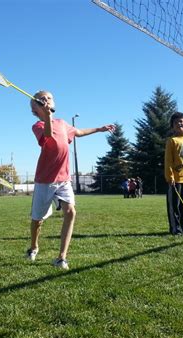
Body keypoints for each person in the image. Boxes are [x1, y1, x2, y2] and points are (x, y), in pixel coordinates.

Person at [26, 90, 115, 269]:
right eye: (41, 99)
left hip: (64, 179)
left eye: (49, 98)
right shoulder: (38, 126)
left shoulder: (62, 123)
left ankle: (61, 257)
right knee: (37, 220)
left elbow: (79, 132)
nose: (46, 100)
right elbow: (49, 136)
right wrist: (48, 115)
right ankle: (34, 247)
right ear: (35, 110)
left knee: (71, 212)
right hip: (45, 180)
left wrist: (99, 129)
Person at [164, 112, 183, 236]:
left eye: (181, 121)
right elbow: (168, 161)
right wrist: (170, 177)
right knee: (174, 206)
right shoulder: (172, 141)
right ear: (172, 127)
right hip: (175, 180)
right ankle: (175, 229)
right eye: (175, 123)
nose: (179, 124)